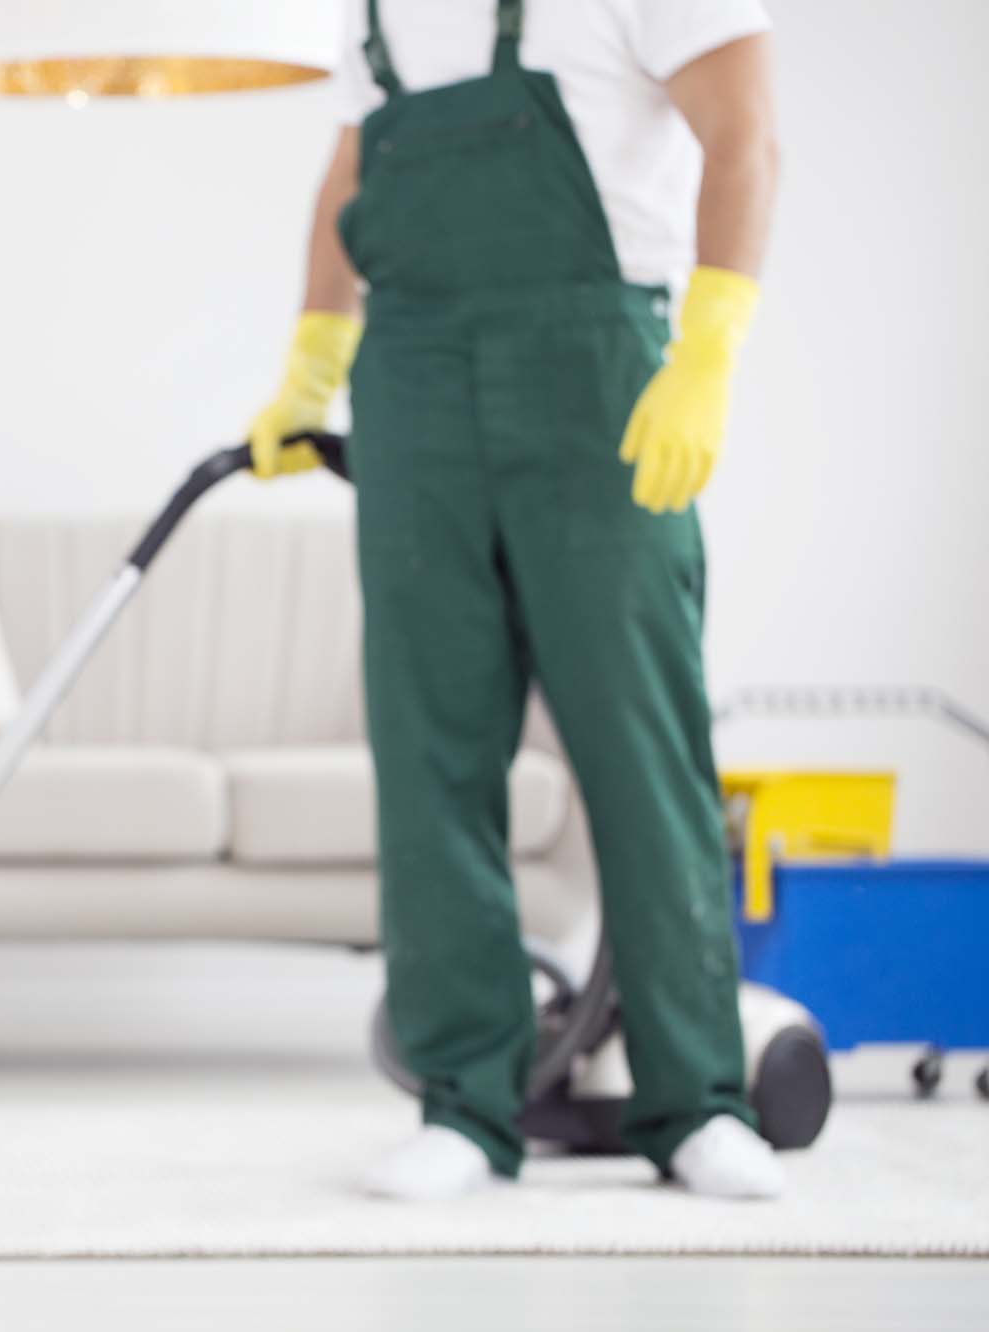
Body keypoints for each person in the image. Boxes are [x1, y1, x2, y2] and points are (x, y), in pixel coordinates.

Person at [248, 0, 783, 1201]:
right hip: (414, 376)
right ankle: (464, 1105)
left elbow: (744, 130)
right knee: (428, 740)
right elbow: (347, 170)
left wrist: (708, 347)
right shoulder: (376, 10)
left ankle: (695, 1097)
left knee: (638, 745)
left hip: (595, 369)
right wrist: (314, 356)